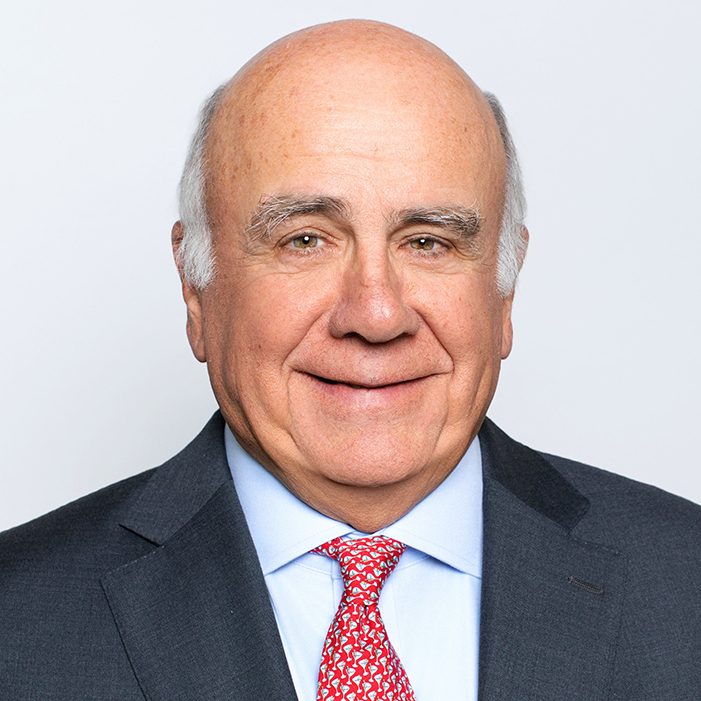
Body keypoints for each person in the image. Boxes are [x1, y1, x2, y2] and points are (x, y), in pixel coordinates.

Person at [1, 19, 699, 701]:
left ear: (503, 291)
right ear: (196, 290)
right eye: (304, 240)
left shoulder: (684, 585)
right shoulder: (18, 622)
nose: (376, 314)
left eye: (428, 242)